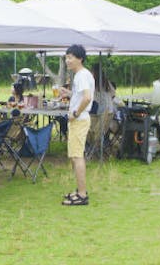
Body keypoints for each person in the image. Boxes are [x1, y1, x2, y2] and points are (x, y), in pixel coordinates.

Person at [59, 44, 94, 206]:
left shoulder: (81, 75)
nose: (68, 61)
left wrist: (75, 113)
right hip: (78, 119)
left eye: (70, 57)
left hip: (79, 120)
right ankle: (80, 190)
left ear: (80, 58)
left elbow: (87, 98)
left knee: (77, 156)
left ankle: (82, 195)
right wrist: (70, 94)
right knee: (74, 156)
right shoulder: (82, 75)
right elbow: (82, 96)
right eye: (66, 57)